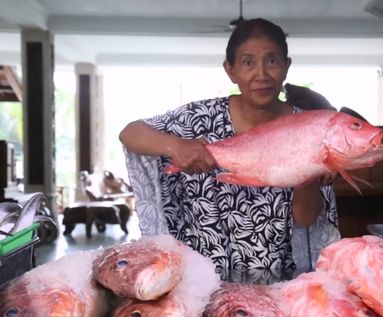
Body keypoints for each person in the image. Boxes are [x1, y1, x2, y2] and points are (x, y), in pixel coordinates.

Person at [119, 18, 340, 279]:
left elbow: (305, 218)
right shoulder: (198, 119)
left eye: (272, 61)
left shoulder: (308, 127)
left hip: (278, 280)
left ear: (286, 66)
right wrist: (175, 145)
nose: (262, 74)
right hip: (201, 282)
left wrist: (309, 176)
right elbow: (130, 133)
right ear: (230, 70)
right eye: (248, 62)